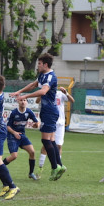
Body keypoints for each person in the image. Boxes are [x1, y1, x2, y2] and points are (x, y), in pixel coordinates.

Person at [12, 53, 66, 181]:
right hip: (49, 111)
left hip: (49, 111)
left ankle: (55, 167)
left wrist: (25, 96)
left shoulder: (50, 77)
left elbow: (43, 91)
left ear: (45, 65)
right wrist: (20, 92)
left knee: (46, 140)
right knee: (51, 140)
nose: (38, 66)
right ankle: (59, 165)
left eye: (39, 64)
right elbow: (33, 84)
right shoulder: (42, 75)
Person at [38, 86, 74, 175]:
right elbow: (37, 101)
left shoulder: (60, 93)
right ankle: (40, 168)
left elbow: (72, 100)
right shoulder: (45, 93)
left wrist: (66, 93)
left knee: (58, 146)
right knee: (46, 145)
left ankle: (58, 168)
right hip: (50, 121)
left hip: (60, 123)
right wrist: (41, 93)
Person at [3, 97, 39, 181]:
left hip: (22, 135)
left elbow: (37, 122)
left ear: (27, 102)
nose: (23, 102)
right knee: (14, 156)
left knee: (32, 152)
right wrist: (14, 133)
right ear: (18, 102)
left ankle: (31, 173)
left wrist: (36, 125)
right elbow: (7, 126)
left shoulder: (29, 112)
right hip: (12, 136)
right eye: (21, 100)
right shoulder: (13, 112)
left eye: (24, 100)